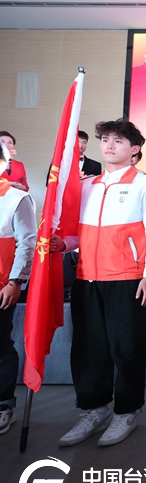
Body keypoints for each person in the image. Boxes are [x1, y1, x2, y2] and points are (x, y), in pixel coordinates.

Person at [51, 118, 146, 448]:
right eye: (105, 140)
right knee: (89, 349)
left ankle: (126, 412)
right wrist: (64, 244)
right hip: (87, 278)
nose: (109, 145)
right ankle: (94, 410)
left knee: (126, 348)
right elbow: (79, 233)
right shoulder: (88, 185)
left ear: (134, 149)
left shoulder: (145, 184)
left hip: (128, 278)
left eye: (118, 141)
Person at [0, 142, 36, 435]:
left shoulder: (16, 198)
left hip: (2, 285)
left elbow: (26, 242)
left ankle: (3, 406)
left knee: (0, 346)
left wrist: (15, 282)